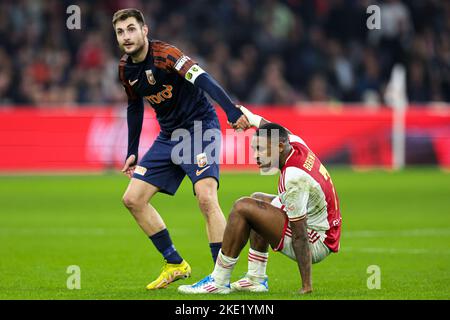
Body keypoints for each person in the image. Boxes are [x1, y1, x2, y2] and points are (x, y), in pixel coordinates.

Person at [113, 8, 250, 290]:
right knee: (133, 198)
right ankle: (175, 263)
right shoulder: (126, 69)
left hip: (200, 128)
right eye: (120, 31)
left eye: (130, 29)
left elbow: (204, 79)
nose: (126, 36)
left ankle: (220, 277)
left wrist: (231, 111)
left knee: (205, 197)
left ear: (144, 30)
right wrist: (132, 149)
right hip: (169, 136)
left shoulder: (167, 55)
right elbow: (134, 105)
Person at [178, 106, 342, 294]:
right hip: (325, 227)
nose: (256, 155)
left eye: (261, 149)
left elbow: (300, 235)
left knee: (242, 207)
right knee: (257, 200)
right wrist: (245, 114)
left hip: (316, 241)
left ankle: (219, 280)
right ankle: (256, 279)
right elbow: (267, 125)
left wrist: (306, 286)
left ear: (279, 147)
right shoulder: (295, 144)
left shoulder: (294, 177)